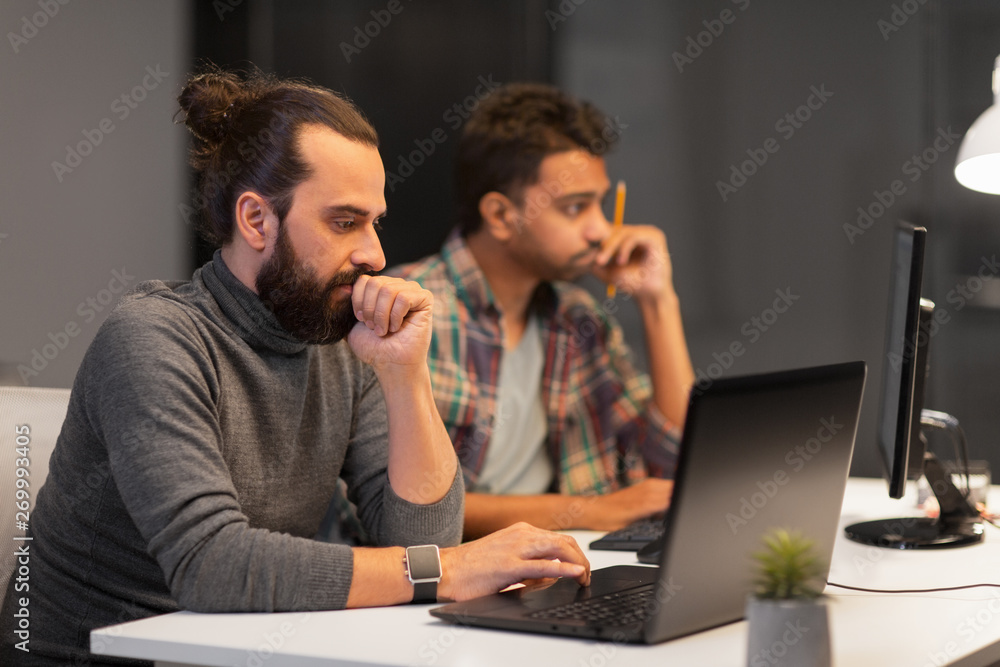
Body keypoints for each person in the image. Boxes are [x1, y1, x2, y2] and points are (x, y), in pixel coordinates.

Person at [0, 69, 590, 666]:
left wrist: (405, 375)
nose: (375, 254)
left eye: (374, 221)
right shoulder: (153, 338)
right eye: (344, 222)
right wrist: (451, 567)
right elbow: (212, 567)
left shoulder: (336, 336)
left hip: (234, 648)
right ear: (257, 220)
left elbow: (422, 542)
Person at [390, 83, 695, 540]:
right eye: (575, 208)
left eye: (601, 203)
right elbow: (397, 510)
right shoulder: (405, 312)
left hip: (568, 563)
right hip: (454, 580)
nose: (600, 229)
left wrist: (658, 301)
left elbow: (673, 463)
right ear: (500, 215)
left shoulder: (579, 318)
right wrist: (587, 510)